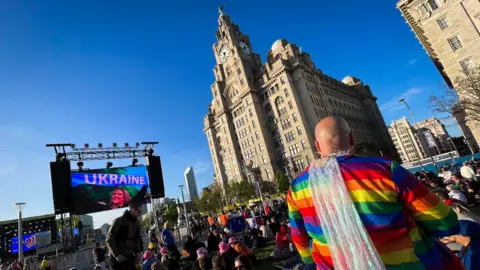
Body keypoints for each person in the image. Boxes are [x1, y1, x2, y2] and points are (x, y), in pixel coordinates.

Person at [288, 116, 462, 269]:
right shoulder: (384, 169)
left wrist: (313, 263)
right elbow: (444, 222)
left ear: (317, 146)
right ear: (351, 139)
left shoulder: (297, 187)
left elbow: (300, 240)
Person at [106, 201, 143, 270]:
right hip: (119, 258)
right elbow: (109, 238)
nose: (140, 214)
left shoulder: (137, 223)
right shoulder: (118, 221)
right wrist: (116, 254)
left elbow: (137, 238)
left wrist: (138, 251)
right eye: (139, 211)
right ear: (132, 209)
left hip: (130, 256)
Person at [441, 203, 480, 269]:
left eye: (455, 236)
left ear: (466, 237)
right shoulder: (467, 223)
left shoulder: (472, 257)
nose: (454, 238)